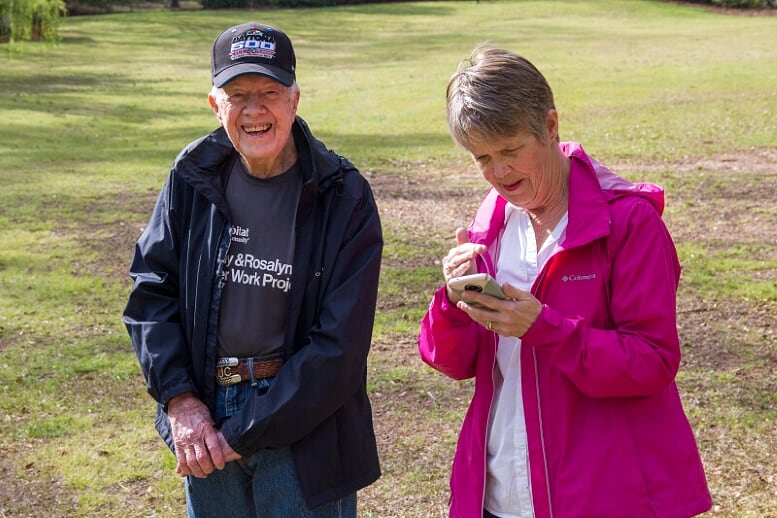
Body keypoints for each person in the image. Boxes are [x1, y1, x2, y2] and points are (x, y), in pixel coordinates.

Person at [418, 46, 712, 518]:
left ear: (550, 126)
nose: (498, 173)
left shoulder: (630, 225)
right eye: (482, 158)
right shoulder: (490, 225)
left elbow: (653, 362)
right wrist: (453, 301)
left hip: (605, 496)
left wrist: (543, 327)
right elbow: (453, 362)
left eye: (511, 150)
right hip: (500, 495)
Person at [123, 22, 382, 517]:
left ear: (295, 100)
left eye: (269, 92)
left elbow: (340, 346)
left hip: (305, 426)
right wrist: (181, 403)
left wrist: (243, 430)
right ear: (214, 104)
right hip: (204, 417)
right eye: (238, 94)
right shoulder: (191, 176)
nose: (254, 109)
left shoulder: (343, 194)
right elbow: (152, 292)